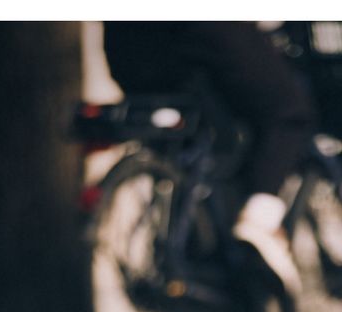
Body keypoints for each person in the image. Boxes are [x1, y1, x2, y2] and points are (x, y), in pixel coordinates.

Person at [103, 21, 316, 295]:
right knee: (289, 111)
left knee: (202, 143)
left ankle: (206, 277)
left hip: (125, 45)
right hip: (198, 30)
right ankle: (260, 223)